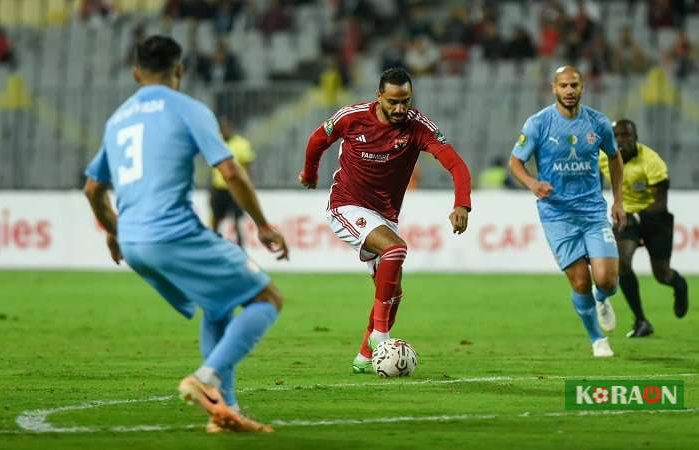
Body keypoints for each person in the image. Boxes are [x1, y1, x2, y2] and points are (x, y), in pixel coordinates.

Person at [83, 35, 288, 433]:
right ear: (180, 70)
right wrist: (262, 225)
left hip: (134, 242)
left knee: (217, 307)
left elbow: (93, 188)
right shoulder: (188, 108)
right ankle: (206, 378)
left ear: (135, 71)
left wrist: (114, 231)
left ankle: (224, 411)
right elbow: (229, 171)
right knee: (267, 298)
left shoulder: (117, 119)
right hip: (172, 233)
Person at [298, 68, 472, 374]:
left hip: (385, 216)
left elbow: (456, 164)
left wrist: (462, 204)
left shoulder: (417, 126)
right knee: (395, 250)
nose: (400, 108)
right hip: (346, 205)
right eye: (393, 101)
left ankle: (365, 356)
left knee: (393, 291)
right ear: (379, 96)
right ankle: (381, 336)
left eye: (405, 100)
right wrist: (310, 173)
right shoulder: (351, 117)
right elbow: (316, 140)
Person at [509, 65, 626, 358]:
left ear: (583, 87)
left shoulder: (598, 123)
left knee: (607, 281)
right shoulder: (538, 124)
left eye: (574, 85)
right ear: (554, 88)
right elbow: (515, 162)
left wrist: (619, 200)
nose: (569, 91)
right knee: (580, 281)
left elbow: (615, 157)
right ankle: (597, 338)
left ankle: (603, 299)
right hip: (557, 214)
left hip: (592, 211)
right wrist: (532, 183)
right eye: (564, 86)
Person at [599, 119, 689, 337]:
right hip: (626, 216)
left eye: (626, 135)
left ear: (635, 137)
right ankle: (641, 321)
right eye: (617, 136)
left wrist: (640, 217)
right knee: (621, 263)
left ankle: (679, 285)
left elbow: (661, 201)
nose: (621, 140)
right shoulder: (604, 158)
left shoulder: (651, 161)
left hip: (654, 217)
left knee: (662, 274)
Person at [210, 116, 256, 245]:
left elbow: (247, 167)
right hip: (219, 188)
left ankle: (241, 247)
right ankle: (213, 245)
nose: (225, 131)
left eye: (227, 128)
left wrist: (248, 186)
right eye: (222, 128)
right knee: (216, 220)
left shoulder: (241, 144)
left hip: (236, 188)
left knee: (237, 220)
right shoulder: (216, 143)